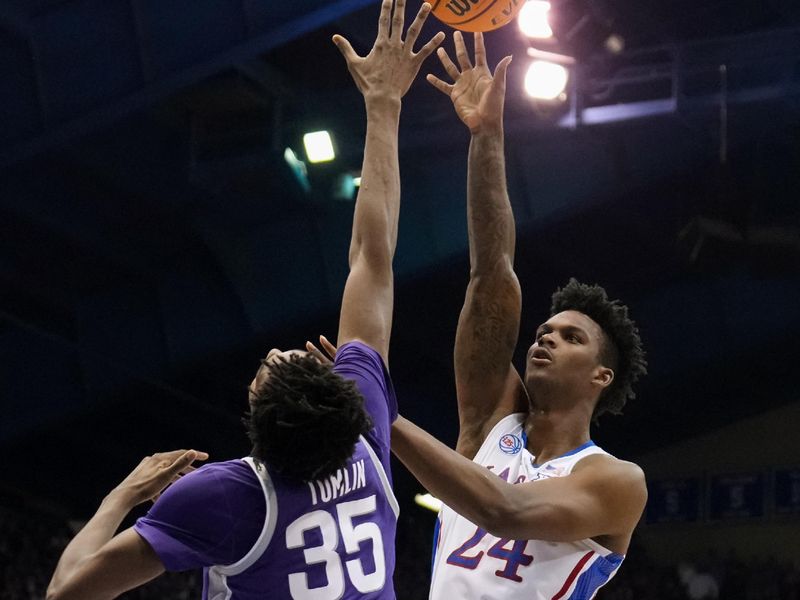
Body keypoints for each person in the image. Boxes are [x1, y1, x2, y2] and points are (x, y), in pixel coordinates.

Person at [45, 2, 444, 598]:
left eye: (273, 363)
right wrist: (385, 106)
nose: (283, 351)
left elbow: (66, 592)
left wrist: (124, 494)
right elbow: (373, 253)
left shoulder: (226, 494)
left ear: (255, 413)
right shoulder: (364, 431)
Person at [389, 31, 649, 599]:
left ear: (600, 375)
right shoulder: (489, 423)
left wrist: (380, 414)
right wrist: (486, 137)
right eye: (544, 330)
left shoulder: (615, 480)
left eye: (571, 338)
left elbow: (504, 510)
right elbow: (490, 273)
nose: (547, 339)